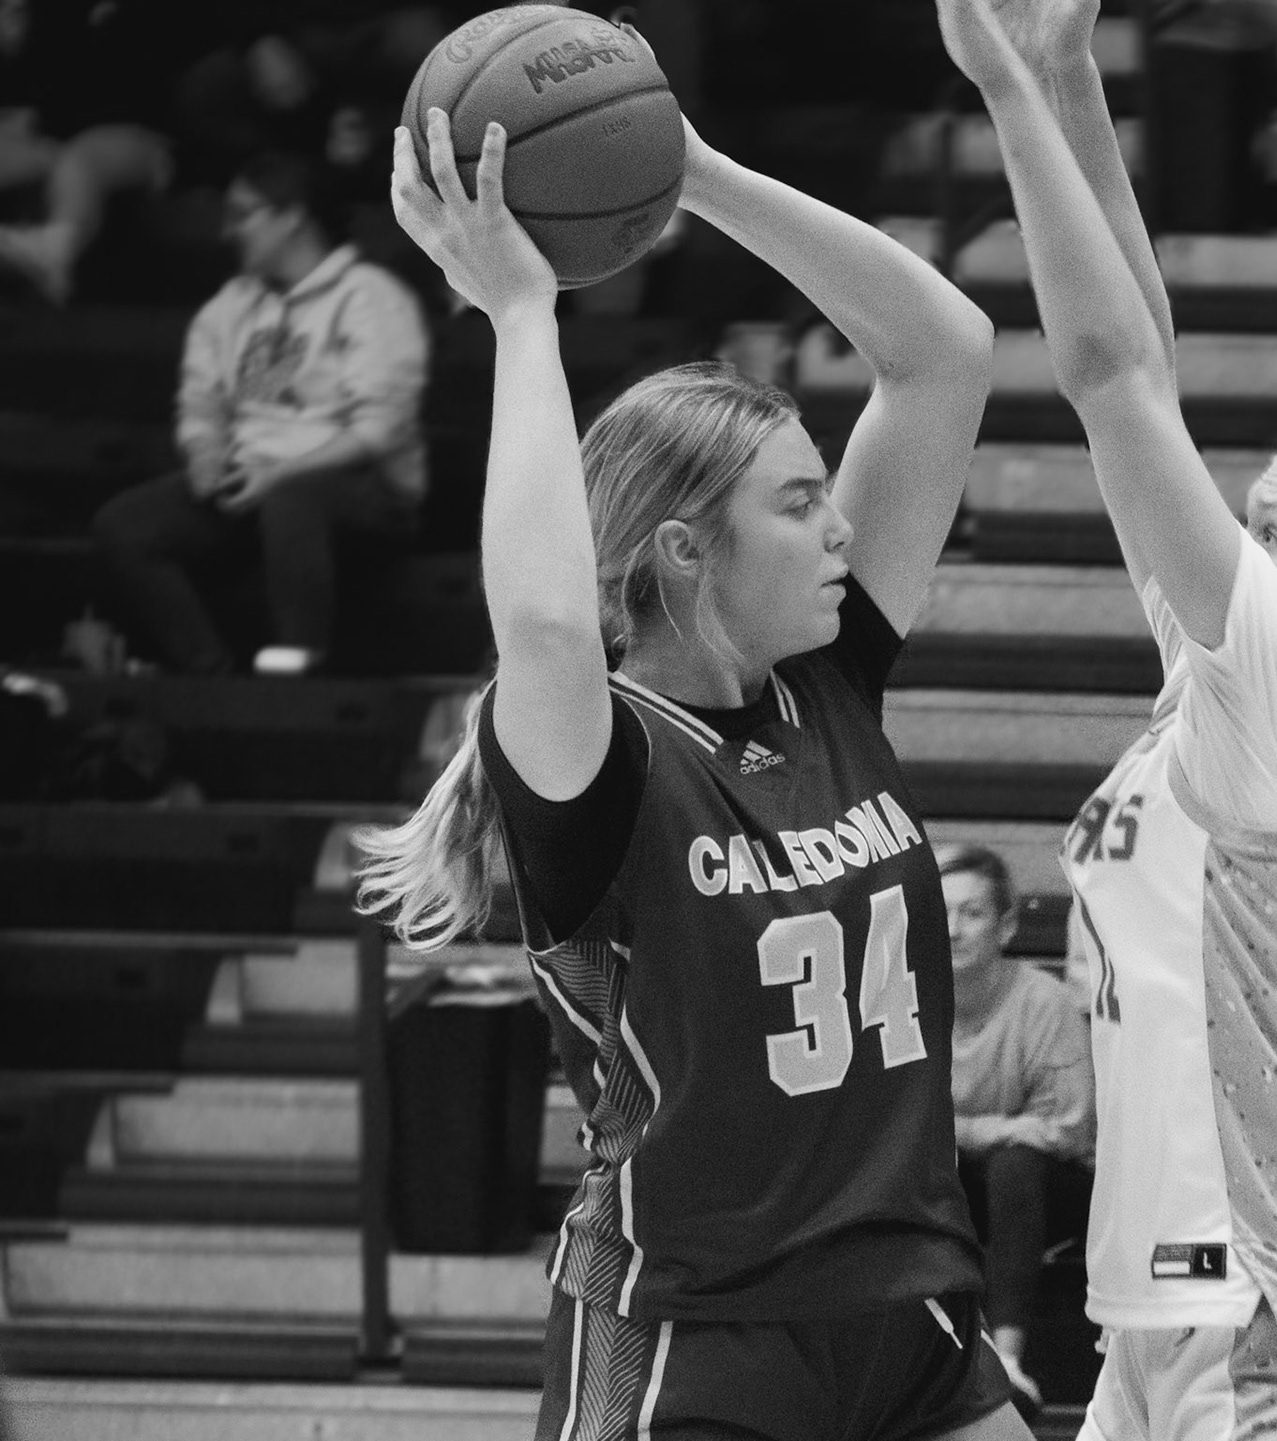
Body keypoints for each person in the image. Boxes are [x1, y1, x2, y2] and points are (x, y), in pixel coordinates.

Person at [355, 61, 1027, 1441]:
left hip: (910, 1312)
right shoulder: (598, 770)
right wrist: (522, 314)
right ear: (683, 554)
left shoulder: (826, 683)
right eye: (799, 502)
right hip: (696, 1335)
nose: (842, 525)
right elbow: (543, 617)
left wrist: (692, 170)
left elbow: (945, 351)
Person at [936, 1, 1277, 1433]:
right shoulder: (1223, 698)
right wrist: (1070, 73)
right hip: (1161, 1319)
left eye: (1272, 534)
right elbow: (1151, 365)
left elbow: (1115, 379)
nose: (1231, 554)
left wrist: (1002, 89)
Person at [91, 151, 428, 677]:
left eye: (244, 214)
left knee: (293, 496)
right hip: (253, 483)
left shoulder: (370, 295)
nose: (229, 231)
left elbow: (380, 429)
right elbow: (201, 405)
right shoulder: (232, 303)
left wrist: (278, 472)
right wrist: (206, 456)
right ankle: (208, 672)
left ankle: (298, 665)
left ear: (292, 215)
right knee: (125, 523)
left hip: (362, 490)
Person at [940, 843, 1096, 1419]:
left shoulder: (1044, 1001)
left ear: (1006, 926)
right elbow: (892, 1127)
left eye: (972, 913)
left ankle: (1007, 1359)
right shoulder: (903, 1002)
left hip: (1043, 1190)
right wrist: (995, 1131)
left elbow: (1073, 1128)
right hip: (950, 1182)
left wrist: (965, 1133)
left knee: (1015, 1166)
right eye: (940, 912)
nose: (952, 929)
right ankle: (926, 1365)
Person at [0, 0, 182, 304]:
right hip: (50, 137)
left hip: (140, 140)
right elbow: (34, 96)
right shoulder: (42, 17)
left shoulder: (143, 15)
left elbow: (135, 95)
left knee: (79, 159)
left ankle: (51, 252)